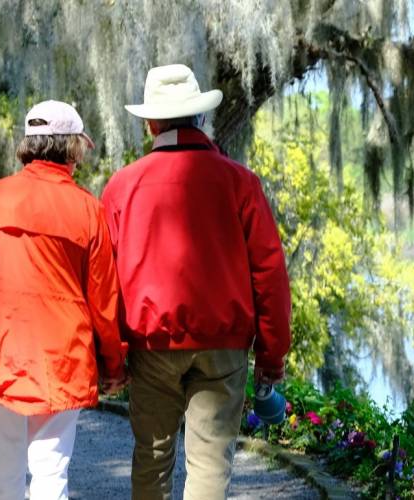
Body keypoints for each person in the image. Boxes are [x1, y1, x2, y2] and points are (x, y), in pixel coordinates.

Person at [101, 64, 292, 500]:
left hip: (151, 347)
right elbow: (269, 271)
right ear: (201, 118)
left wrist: (112, 359)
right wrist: (272, 352)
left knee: (151, 458)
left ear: (150, 122)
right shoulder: (239, 182)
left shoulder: (121, 187)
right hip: (223, 346)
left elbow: (104, 280)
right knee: (209, 463)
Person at [0, 100, 128, 500]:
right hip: (61, 357)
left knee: (2, 472)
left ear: (29, 144)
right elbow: (104, 301)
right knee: (51, 473)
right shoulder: (88, 210)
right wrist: (113, 363)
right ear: (72, 148)